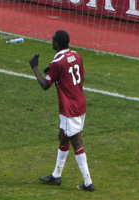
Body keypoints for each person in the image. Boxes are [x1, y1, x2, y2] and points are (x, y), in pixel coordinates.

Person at [30, 30, 93, 191]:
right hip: (80, 102)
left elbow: (45, 85)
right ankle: (56, 175)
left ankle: (88, 182)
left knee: (76, 141)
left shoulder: (57, 62)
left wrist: (34, 67)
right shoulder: (76, 55)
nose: (51, 41)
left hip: (69, 108)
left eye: (52, 39)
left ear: (57, 43)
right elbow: (79, 77)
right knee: (62, 136)